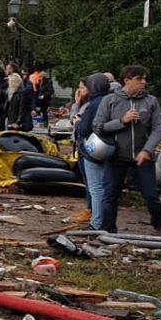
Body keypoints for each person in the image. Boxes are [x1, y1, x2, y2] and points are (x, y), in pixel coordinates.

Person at [93, 65, 161, 234]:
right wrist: (121, 121)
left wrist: (147, 150)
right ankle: (108, 231)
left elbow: (159, 128)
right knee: (110, 195)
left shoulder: (150, 101)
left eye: (145, 78)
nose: (144, 82)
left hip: (143, 157)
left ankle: (159, 224)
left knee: (151, 195)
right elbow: (98, 126)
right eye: (139, 79)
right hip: (116, 156)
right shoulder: (109, 100)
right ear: (127, 80)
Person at [75, 73, 111, 230]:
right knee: (106, 188)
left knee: (95, 188)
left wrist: (77, 122)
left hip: (93, 148)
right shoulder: (112, 100)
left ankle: (96, 223)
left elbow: (84, 128)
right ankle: (107, 222)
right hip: (111, 148)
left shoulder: (93, 104)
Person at [70, 79, 92, 224]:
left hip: (87, 146)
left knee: (91, 181)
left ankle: (91, 210)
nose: (79, 91)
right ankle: (89, 209)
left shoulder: (89, 106)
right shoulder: (83, 104)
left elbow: (76, 121)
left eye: (82, 88)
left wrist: (76, 106)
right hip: (80, 145)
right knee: (87, 181)